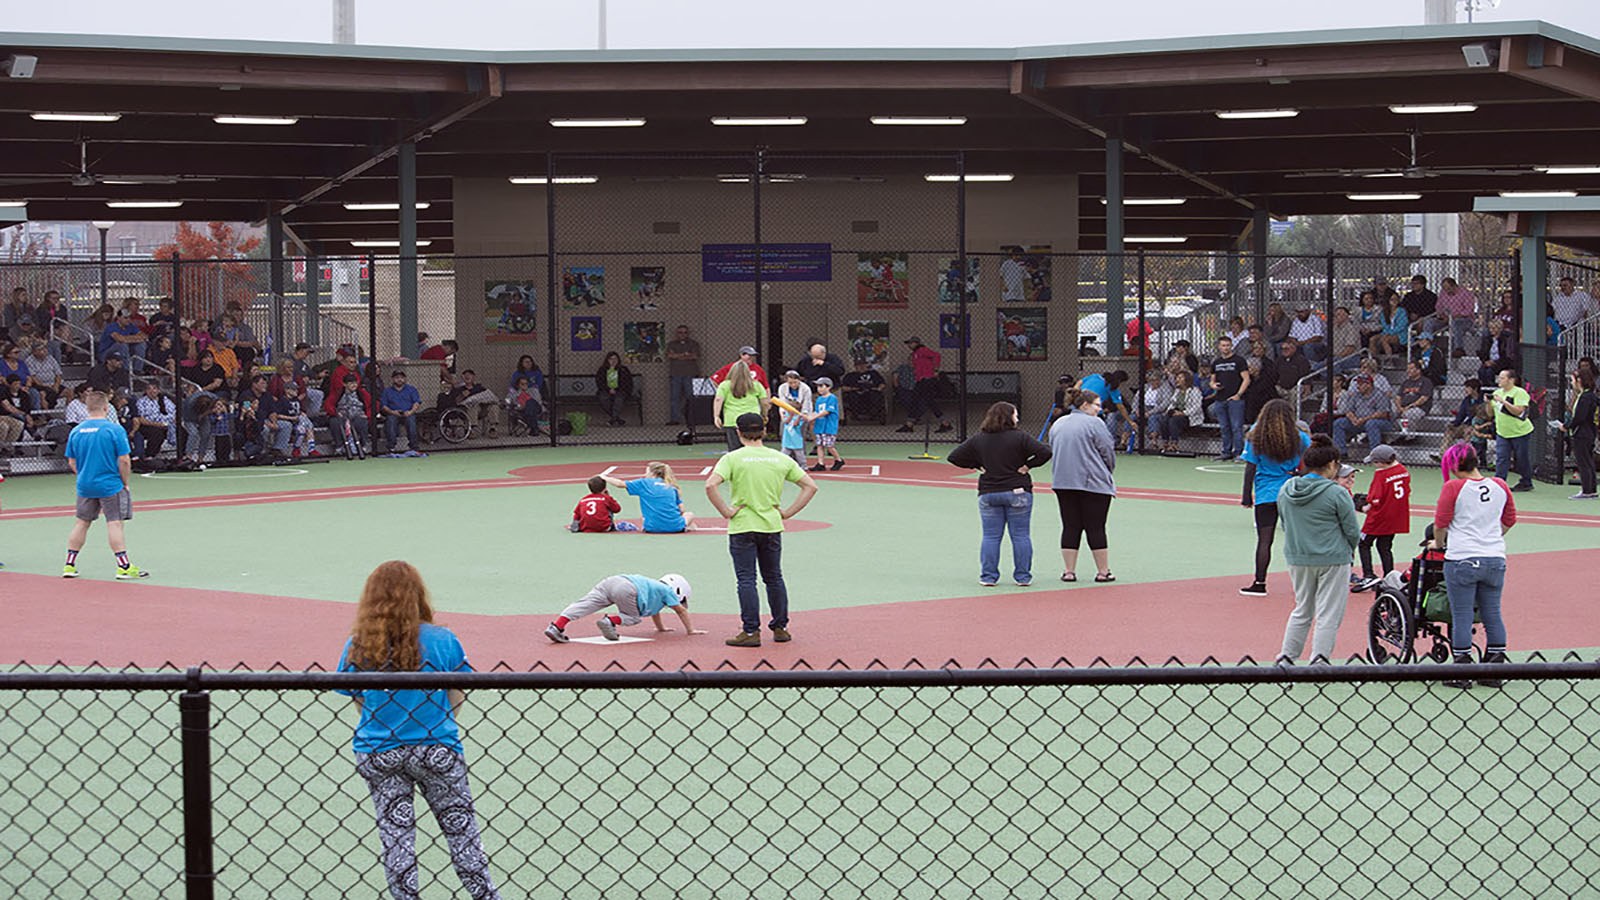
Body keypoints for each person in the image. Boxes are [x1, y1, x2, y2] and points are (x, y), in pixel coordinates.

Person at [335, 560, 502, 900]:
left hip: (379, 749)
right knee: (461, 831)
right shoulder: (442, 639)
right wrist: (439, 721)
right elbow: (457, 692)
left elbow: (358, 699)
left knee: (396, 836)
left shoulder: (359, 643)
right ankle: (485, 896)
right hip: (436, 747)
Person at [703, 412, 820, 647]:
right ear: (764, 431)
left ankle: (750, 630)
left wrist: (726, 511)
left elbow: (710, 485)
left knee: (746, 579)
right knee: (774, 577)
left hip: (742, 525)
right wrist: (787, 512)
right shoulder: (779, 459)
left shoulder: (732, 459)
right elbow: (810, 486)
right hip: (771, 525)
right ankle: (780, 626)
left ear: (739, 432)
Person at [1433, 444, 1516, 689]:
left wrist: (1439, 544)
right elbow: (1509, 519)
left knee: (1462, 614)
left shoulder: (1453, 487)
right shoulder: (1500, 485)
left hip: (1462, 558)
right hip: (1494, 557)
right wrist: (1492, 537)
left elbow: (1441, 523)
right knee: (1492, 612)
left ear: (1455, 465)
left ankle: (1462, 667)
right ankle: (1494, 666)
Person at [1274, 437, 1361, 666]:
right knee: (1328, 614)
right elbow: (1352, 530)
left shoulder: (1286, 489)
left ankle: (1286, 658)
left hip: (1298, 557)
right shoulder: (1337, 493)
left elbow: (1284, 523)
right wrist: (1348, 552)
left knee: (1302, 609)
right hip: (1333, 558)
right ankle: (1320, 661)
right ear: (1331, 464)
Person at [949, 401, 1052, 587]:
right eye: (1015, 414)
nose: (1017, 418)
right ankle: (1023, 576)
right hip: (1017, 491)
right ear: (1009, 417)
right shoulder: (1020, 437)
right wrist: (1028, 465)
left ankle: (988, 576)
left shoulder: (979, 438)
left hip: (989, 492)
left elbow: (954, 456)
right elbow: (1045, 452)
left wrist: (976, 465)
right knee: (1020, 535)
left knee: (990, 536)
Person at [61, 390, 147, 580]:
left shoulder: (76, 431)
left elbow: (71, 462)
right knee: (114, 523)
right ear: (107, 408)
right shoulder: (114, 429)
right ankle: (123, 566)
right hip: (110, 485)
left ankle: (69, 564)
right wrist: (125, 483)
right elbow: (124, 460)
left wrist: (83, 475)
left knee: (82, 522)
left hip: (85, 485)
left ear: (87, 407)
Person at [1238, 399, 1312, 597]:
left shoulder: (1256, 434)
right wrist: (1299, 475)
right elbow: (1308, 463)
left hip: (1266, 493)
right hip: (1292, 490)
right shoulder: (1299, 436)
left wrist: (1246, 496)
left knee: (1265, 540)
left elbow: (1250, 467)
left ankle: (1260, 582)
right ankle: (1305, 584)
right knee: (1298, 539)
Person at [1048, 388, 1117, 583]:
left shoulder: (1059, 423)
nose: (1099, 410)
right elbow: (1107, 451)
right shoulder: (1095, 423)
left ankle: (1069, 571)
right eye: (1097, 405)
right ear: (1085, 405)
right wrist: (1107, 471)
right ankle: (1103, 571)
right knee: (1096, 527)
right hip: (1093, 483)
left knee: (1070, 526)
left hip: (1063, 482)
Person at [543, 573, 702, 643]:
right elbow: (681, 610)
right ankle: (610, 620)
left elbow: (656, 613)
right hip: (629, 589)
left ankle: (557, 626)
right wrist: (691, 630)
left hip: (612, 581)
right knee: (633, 617)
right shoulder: (668, 591)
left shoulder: (655, 589)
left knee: (584, 605)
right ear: (678, 591)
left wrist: (661, 628)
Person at [1352, 444, 1410, 591]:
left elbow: (1375, 499)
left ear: (1381, 462)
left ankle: (1368, 575)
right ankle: (1389, 576)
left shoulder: (1381, 474)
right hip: (1395, 517)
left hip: (1378, 518)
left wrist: (1364, 507)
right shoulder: (1403, 471)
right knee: (1385, 546)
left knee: (1364, 543)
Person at [603, 461, 695, 533]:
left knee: (645, 517)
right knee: (689, 514)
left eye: (646, 472)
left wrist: (604, 477)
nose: (645, 474)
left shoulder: (644, 483)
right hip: (675, 527)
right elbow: (682, 509)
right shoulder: (671, 486)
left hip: (651, 528)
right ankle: (687, 527)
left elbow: (620, 484)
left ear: (653, 473)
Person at [1554, 369, 1598, 499]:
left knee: (1583, 462)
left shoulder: (1585, 397)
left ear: (1579, 381)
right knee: (1588, 461)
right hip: (1587, 432)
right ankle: (1591, 490)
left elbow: (1580, 417)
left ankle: (1587, 491)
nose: (1572, 383)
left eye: (1573, 380)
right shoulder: (1586, 395)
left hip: (1583, 433)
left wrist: (1566, 426)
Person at [1489, 368, 1535, 492]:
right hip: (1502, 432)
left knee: (1521, 458)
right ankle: (1499, 482)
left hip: (1520, 432)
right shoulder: (1497, 392)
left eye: (1502, 378)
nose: (1499, 380)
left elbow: (1519, 410)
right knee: (1502, 458)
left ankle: (1526, 481)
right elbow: (1490, 413)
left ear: (1511, 380)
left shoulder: (1519, 392)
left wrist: (1504, 402)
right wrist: (1488, 403)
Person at [896, 337, 952, 433]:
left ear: (916, 343)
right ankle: (944, 423)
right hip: (921, 380)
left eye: (911, 343)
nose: (909, 345)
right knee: (924, 401)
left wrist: (936, 370)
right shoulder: (915, 354)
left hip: (927, 379)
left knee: (920, 400)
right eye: (908, 343)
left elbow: (936, 355)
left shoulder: (922, 350)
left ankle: (910, 425)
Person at [1331, 374, 1394, 458]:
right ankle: (1342, 453)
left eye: (1360, 384)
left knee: (1371, 424)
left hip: (1380, 422)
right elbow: (1348, 410)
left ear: (1368, 384)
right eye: (1358, 383)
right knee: (1338, 423)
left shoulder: (1379, 394)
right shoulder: (1356, 395)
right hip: (1358, 421)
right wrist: (1353, 419)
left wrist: (1364, 419)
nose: (1358, 386)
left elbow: (1382, 413)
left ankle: (1375, 455)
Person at [712, 361, 769, 452]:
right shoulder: (756, 385)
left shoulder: (725, 385)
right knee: (753, 447)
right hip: (752, 419)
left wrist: (716, 416)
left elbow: (718, 399)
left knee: (734, 449)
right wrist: (764, 414)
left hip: (732, 420)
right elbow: (765, 402)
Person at [1210, 336, 1250, 461]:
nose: (1225, 348)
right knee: (1224, 427)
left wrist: (1238, 394)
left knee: (1237, 427)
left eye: (1228, 345)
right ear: (1219, 347)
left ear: (1231, 346)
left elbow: (1246, 379)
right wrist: (1214, 386)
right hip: (1220, 398)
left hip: (1235, 400)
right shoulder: (1216, 362)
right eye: (1223, 345)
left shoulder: (1239, 361)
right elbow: (1212, 381)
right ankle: (1226, 451)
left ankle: (1239, 452)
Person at [1152, 369, 1203, 454]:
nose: (1177, 380)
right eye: (1177, 378)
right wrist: (1168, 411)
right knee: (1164, 419)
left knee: (1174, 420)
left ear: (1186, 380)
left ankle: (1174, 443)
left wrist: (1183, 413)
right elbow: (1172, 403)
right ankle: (1165, 442)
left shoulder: (1194, 391)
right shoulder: (1177, 391)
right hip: (1176, 413)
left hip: (1189, 416)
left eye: (1180, 378)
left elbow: (1196, 407)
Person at [570, 475, 638, 533]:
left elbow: (576, 514)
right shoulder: (606, 498)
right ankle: (610, 527)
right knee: (608, 506)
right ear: (605, 488)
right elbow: (617, 509)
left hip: (586, 528)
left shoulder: (583, 499)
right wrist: (608, 496)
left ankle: (584, 525)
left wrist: (575, 523)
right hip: (604, 528)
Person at [664, 325, 702, 425]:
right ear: (677, 333)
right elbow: (669, 355)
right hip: (675, 374)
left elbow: (695, 356)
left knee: (691, 397)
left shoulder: (694, 344)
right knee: (674, 398)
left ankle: (693, 418)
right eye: (680, 332)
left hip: (690, 374)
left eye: (685, 332)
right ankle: (675, 419)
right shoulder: (671, 344)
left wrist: (677, 356)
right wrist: (685, 355)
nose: (682, 334)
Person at [380, 368, 424, 453]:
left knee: (411, 421)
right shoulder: (387, 391)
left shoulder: (411, 389)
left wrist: (410, 412)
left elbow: (416, 403)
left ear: (405, 378)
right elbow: (384, 406)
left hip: (408, 412)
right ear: (393, 379)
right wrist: (393, 412)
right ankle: (391, 447)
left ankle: (414, 447)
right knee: (391, 421)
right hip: (393, 413)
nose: (399, 379)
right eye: (397, 377)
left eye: (401, 377)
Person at [1433, 277, 1478, 356]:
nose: (1446, 290)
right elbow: (1438, 307)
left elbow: (1467, 311)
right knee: (1429, 323)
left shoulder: (1466, 294)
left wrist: (1452, 317)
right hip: (1446, 319)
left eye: (1448, 288)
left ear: (1454, 286)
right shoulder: (1443, 293)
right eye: (1444, 288)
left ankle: (1458, 348)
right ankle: (1429, 347)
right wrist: (1442, 315)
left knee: (1456, 324)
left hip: (1463, 319)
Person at [808, 377, 843, 471]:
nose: (819, 388)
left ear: (828, 387)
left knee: (829, 446)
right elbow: (817, 411)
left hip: (829, 426)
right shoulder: (819, 399)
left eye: (821, 386)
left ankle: (838, 460)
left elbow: (827, 411)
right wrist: (808, 416)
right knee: (819, 445)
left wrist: (813, 417)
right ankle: (820, 463)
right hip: (820, 426)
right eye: (818, 386)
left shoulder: (832, 398)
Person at [839, 358, 886, 423]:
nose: (861, 366)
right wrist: (852, 389)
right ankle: (856, 414)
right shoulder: (850, 376)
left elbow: (882, 383)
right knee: (852, 396)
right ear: (855, 366)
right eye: (859, 365)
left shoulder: (874, 374)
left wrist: (879, 388)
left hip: (871, 391)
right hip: (856, 392)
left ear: (866, 365)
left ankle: (873, 414)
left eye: (863, 365)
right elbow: (843, 387)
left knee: (876, 395)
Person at [593, 351, 633, 427]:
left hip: (620, 390)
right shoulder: (602, 370)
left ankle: (613, 420)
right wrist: (609, 389)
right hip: (606, 390)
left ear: (618, 360)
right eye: (611, 359)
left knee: (619, 399)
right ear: (607, 360)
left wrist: (617, 390)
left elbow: (627, 383)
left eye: (615, 359)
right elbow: (600, 382)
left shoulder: (623, 370)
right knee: (603, 398)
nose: (613, 361)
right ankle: (616, 419)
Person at [1368, 293, 1409, 361]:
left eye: (1396, 299)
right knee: (1372, 339)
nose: (1394, 301)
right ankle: (1374, 360)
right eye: (1392, 299)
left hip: (1400, 334)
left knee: (1385, 339)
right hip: (1386, 333)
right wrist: (1387, 333)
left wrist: (1390, 333)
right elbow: (1384, 325)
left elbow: (1402, 325)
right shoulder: (1384, 312)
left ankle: (1390, 360)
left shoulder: (1402, 311)